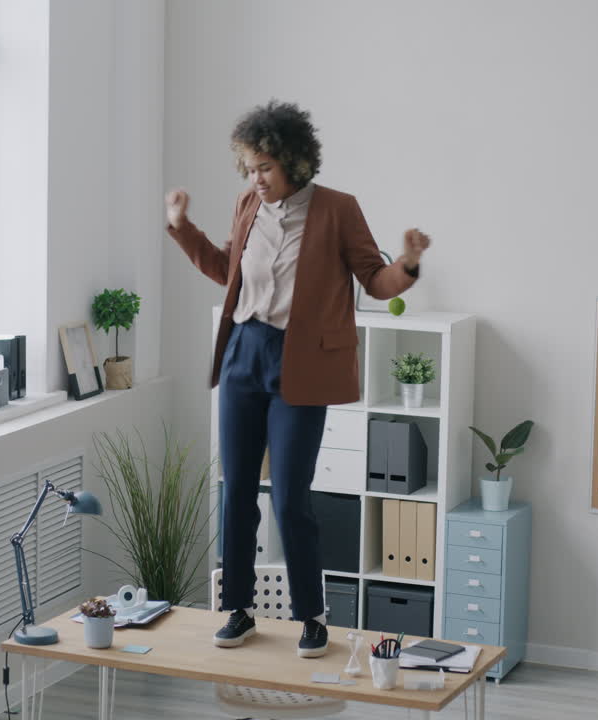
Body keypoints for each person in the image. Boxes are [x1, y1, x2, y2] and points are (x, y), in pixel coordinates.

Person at [165, 100, 431, 658]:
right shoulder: (247, 206)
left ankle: (312, 615)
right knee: (236, 491)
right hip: (244, 353)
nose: (256, 179)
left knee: (290, 497)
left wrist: (406, 263)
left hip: (301, 361)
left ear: (294, 161)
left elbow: (374, 282)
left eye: (265, 167)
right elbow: (225, 270)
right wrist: (181, 228)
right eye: (250, 167)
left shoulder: (337, 210)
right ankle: (238, 610)